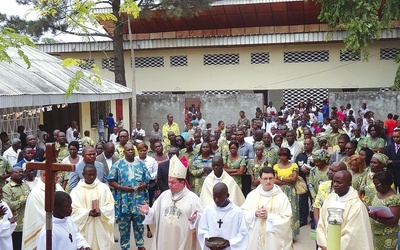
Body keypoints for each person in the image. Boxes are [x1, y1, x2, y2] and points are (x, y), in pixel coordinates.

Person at [138, 155, 204, 250]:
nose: (170, 185)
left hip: (182, 241)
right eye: (169, 182)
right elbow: (156, 215)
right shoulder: (164, 196)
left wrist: (195, 220)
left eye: (173, 182)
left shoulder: (193, 199)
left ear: (182, 183)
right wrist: (149, 211)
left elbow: (202, 222)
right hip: (164, 239)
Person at [108, 143, 151, 250]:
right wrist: (122, 187)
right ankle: (125, 246)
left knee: (139, 225)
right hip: (124, 202)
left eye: (132, 150)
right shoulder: (118, 164)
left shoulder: (140, 164)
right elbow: (111, 180)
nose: (131, 151)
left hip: (139, 200)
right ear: (124, 152)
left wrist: (144, 185)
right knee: (124, 227)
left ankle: (140, 244)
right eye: (128, 150)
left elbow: (148, 179)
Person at [316, 170, 373, 250]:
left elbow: (353, 234)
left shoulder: (356, 205)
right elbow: (321, 222)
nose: (335, 185)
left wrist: (332, 246)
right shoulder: (331, 198)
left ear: (349, 184)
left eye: (339, 183)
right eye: (334, 181)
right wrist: (323, 242)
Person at [241, 167, 293, 250]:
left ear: (274, 178)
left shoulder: (282, 197)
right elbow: (242, 213)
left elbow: (287, 218)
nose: (268, 181)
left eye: (270, 178)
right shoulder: (252, 195)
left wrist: (269, 216)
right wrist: (255, 213)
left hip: (273, 238)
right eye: (265, 179)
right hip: (254, 237)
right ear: (260, 179)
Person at [70, 165, 115, 250]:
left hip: (101, 226)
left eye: (94, 174)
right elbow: (73, 209)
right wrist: (87, 213)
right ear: (83, 174)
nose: (91, 177)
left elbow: (110, 205)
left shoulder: (104, 188)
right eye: (89, 174)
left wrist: (101, 211)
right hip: (85, 227)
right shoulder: (76, 191)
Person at [197, 182, 248, 250]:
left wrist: (230, 242)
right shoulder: (208, 210)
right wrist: (206, 239)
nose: (217, 200)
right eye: (214, 196)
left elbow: (243, 234)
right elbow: (203, 229)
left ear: (227, 195)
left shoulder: (237, 212)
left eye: (220, 197)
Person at [22, 169, 64, 250]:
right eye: (56, 174)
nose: (58, 176)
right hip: (45, 235)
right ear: (45, 175)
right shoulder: (35, 195)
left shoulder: (58, 187)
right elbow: (40, 220)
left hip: (61, 232)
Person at [273, 147, 300, 238]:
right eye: (280, 155)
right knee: (280, 210)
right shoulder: (276, 166)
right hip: (279, 191)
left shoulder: (294, 165)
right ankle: (281, 233)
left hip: (291, 191)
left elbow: (294, 179)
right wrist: (286, 181)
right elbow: (274, 180)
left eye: (284, 155)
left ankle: (291, 234)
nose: (282, 157)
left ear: (288, 156)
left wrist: (281, 178)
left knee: (292, 211)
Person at [2, 167, 30, 250]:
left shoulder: (25, 185)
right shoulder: (7, 188)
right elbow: (9, 205)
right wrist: (25, 199)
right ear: (11, 174)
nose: (21, 174)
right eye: (18, 172)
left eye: (22, 172)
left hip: (27, 224)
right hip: (16, 226)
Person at [384, 128, 400, 193]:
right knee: (393, 191)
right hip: (392, 173)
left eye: (398, 137)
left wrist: (393, 162)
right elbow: (386, 159)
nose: (396, 138)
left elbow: (390, 161)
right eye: (394, 137)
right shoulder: (388, 147)